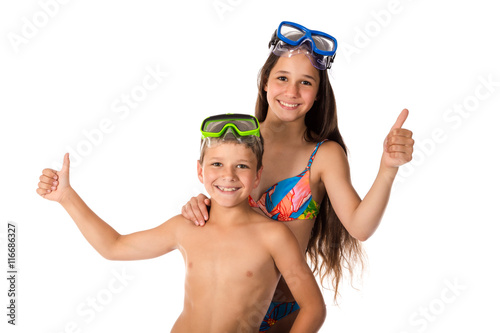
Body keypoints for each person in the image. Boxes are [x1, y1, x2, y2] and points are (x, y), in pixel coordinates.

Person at [181, 21, 415, 331]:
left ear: (318, 93)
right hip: (223, 310)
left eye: (306, 82)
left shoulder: (324, 155)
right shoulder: (236, 140)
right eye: (282, 78)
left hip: (286, 314)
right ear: (265, 82)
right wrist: (198, 208)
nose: (292, 91)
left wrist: (388, 168)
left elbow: (360, 227)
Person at [36, 114, 327, 332]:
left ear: (258, 174)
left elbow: (313, 308)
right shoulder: (186, 227)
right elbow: (114, 246)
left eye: (242, 165)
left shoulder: (273, 237)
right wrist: (67, 197)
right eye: (217, 164)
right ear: (200, 171)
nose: (228, 175)